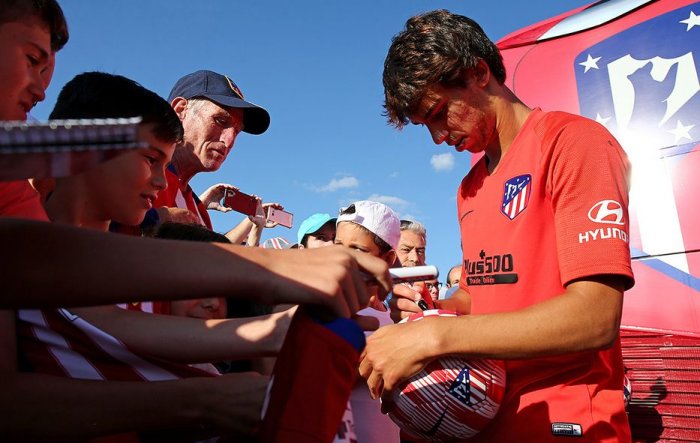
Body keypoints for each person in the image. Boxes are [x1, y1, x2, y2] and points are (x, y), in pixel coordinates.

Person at [360, 9, 634, 442]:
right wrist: (428, 313)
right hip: (485, 420)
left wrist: (437, 335)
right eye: (424, 125)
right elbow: (480, 296)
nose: (436, 136)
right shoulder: (469, 188)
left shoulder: (572, 143)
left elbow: (596, 317)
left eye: (438, 112)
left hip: (567, 419)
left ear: (479, 73)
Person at [335, 201, 401, 443]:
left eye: (358, 249)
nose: (344, 256)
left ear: (388, 258)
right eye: (338, 245)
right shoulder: (329, 309)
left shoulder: (398, 319)